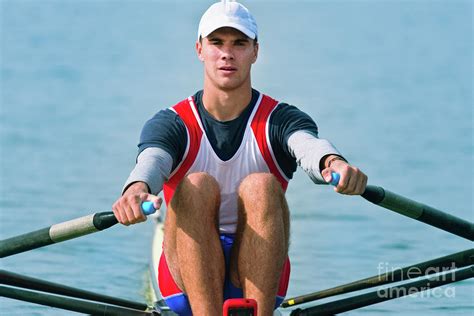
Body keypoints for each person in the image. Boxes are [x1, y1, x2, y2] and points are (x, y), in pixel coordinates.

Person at [112, 1, 367, 315]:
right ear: (199, 49)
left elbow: (309, 147)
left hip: (260, 267)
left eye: (239, 44)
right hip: (183, 276)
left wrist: (333, 163)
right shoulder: (172, 123)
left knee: (261, 185)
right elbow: (152, 161)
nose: (227, 54)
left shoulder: (281, 120)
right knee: (197, 184)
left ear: (255, 52)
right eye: (216, 43)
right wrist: (136, 189)